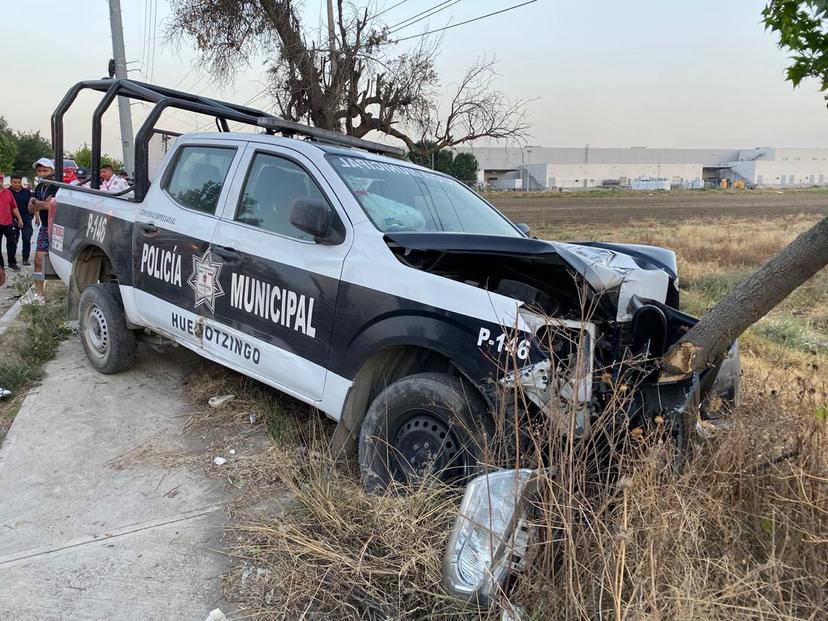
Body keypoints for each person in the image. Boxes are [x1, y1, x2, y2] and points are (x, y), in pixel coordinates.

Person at [28, 158, 58, 303]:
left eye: (45, 170)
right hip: (45, 227)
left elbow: (50, 206)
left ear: (52, 171)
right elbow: (31, 206)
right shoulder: (40, 187)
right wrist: (41, 204)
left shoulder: (57, 186)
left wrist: (38, 204)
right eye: (39, 171)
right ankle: (39, 295)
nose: (42, 173)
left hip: (59, 228)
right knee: (38, 260)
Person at [0, 172, 25, 274]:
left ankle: (12, 262)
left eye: (1, 180)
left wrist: (20, 219)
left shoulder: (8, 193)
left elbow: (14, 207)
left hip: (8, 223)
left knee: (12, 243)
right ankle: (1, 265)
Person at [8, 174, 33, 266]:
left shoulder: (27, 192)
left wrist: (37, 217)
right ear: (11, 182)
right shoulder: (8, 192)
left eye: (19, 182)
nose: (17, 184)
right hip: (12, 219)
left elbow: (32, 205)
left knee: (26, 238)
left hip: (26, 217)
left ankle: (25, 258)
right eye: (15, 182)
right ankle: (12, 259)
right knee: (14, 239)